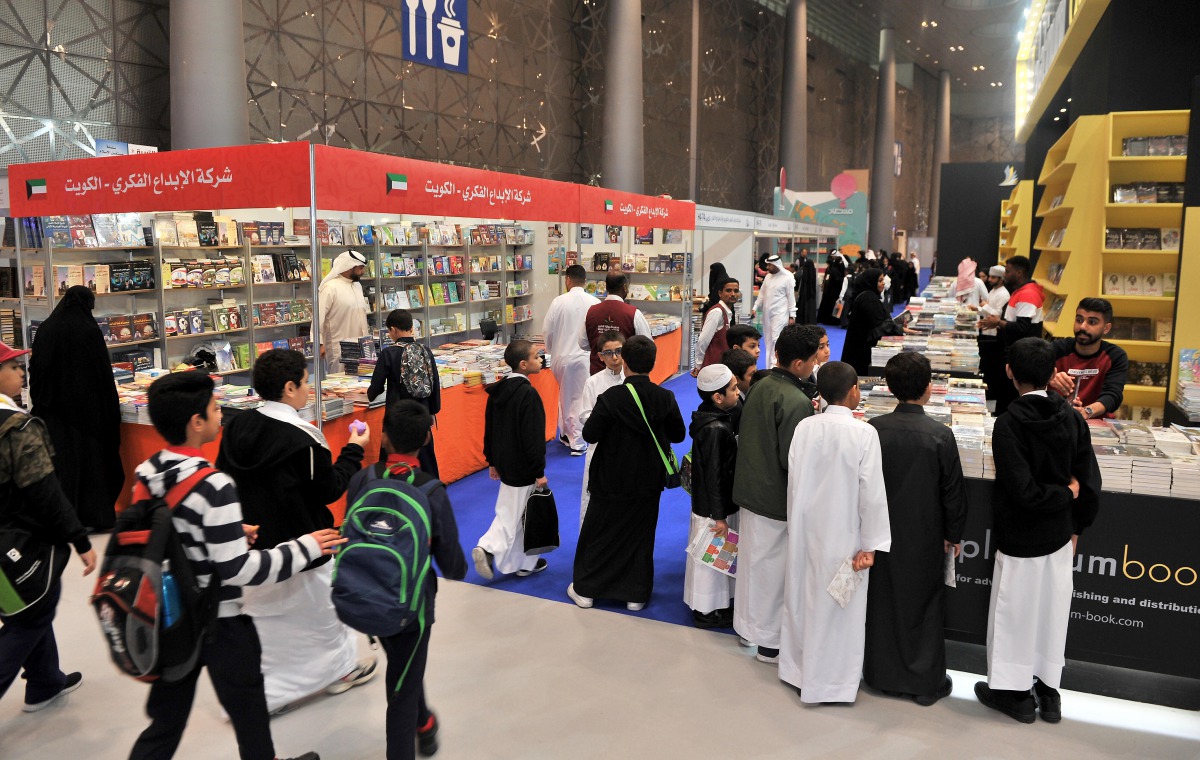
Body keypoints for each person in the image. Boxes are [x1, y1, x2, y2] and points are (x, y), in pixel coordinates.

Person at [130, 371, 341, 760]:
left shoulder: (148, 472)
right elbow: (240, 570)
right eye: (214, 409)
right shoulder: (213, 485)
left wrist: (224, 530)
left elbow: (163, 533)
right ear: (196, 422)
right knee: (247, 706)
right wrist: (305, 546)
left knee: (165, 722)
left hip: (170, 614)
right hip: (217, 620)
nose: (220, 415)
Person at [216, 349, 375, 715]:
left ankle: (268, 692)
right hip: (306, 542)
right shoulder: (305, 437)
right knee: (324, 614)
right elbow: (329, 489)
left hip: (257, 547)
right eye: (305, 382)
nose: (308, 388)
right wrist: (353, 450)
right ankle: (341, 671)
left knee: (267, 624)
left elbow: (225, 480)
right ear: (290, 388)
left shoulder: (237, 425)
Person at [975, 337, 1101, 724]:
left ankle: (1013, 695)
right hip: (1061, 536)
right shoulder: (1071, 417)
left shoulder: (1009, 424)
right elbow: (1089, 481)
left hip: (1021, 537)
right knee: (1052, 613)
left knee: (1014, 613)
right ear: (1052, 374)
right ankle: (1048, 693)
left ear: (1009, 371)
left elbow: (1023, 491)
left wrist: (1061, 495)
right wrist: (1075, 518)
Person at [345, 400, 467, 760]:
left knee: (403, 667)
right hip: (412, 604)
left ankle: (425, 721)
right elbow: (451, 560)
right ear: (426, 441)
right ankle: (418, 730)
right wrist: (457, 571)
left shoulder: (362, 480)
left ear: (382, 438)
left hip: (366, 591)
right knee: (401, 686)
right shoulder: (430, 490)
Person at [778, 361, 891, 704]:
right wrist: (872, 543)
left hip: (806, 529)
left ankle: (798, 671)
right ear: (854, 389)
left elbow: (794, 483)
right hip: (846, 535)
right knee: (841, 608)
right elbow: (871, 493)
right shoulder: (864, 433)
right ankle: (833, 682)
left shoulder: (805, 428)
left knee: (802, 599)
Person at [864, 352, 967, 706]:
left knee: (882, 603)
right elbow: (953, 492)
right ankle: (924, 682)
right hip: (925, 534)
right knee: (924, 607)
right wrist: (953, 535)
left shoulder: (873, 429)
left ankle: (880, 675)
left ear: (889, 387)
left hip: (880, 534)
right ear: (928, 389)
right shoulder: (940, 435)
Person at [0, 341, 96, 712]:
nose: (21, 372)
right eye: (11, 366)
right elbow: (45, 493)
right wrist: (80, 539)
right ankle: (43, 681)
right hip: (19, 543)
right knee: (32, 614)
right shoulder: (16, 428)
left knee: (28, 604)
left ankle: (44, 682)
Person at [569, 335, 685, 611]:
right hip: (648, 479)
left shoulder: (611, 397)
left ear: (626, 362)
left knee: (599, 532)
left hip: (610, 477)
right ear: (653, 362)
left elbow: (589, 433)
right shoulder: (664, 396)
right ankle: (635, 593)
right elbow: (678, 435)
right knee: (641, 535)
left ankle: (587, 590)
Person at [732, 325, 821, 663]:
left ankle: (749, 629)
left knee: (754, 567)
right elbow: (792, 459)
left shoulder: (761, 384)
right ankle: (770, 643)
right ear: (799, 363)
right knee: (773, 573)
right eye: (813, 360)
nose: (815, 366)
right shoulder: (795, 401)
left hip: (751, 487)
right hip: (775, 497)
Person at [28, 285, 122, 530]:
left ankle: (63, 520)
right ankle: (95, 517)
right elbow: (102, 375)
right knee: (92, 467)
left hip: (54, 414)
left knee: (62, 469)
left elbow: (37, 371)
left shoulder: (46, 329)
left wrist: (42, 402)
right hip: (88, 416)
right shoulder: (89, 330)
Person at [472, 340, 549, 580]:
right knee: (512, 513)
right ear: (524, 364)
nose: (541, 360)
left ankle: (524, 562)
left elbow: (489, 429)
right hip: (523, 465)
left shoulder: (499, 390)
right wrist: (538, 470)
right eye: (537, 357)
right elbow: (533, 436)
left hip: (505, 461)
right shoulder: (528, 394)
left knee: (522, 513)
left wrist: (492, 460)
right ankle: (487, 548)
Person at [684, 364, 741, 629]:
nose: (738, 392)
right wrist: (719, 516)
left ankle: (711, 606)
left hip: (707, 504)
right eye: (733, 389)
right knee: (710, 560)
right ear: (717, 397)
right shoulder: (716, 429)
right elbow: (715, 476)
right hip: (712, 508)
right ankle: (705, 611)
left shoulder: (707, 421)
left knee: (712, 557)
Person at [368, 308, 443, 475]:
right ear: (411, 327)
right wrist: (433, 410)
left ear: (393, 330)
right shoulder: (425, 351)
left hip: (397, 415)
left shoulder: (389, 353)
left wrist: (371, 395)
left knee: (392, 461)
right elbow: (434, 383)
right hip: (421, 414)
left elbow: (375, 387)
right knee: (426, 460)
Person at [542, 265, 599, 455]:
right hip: (585, 356)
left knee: (569, 397)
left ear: (567, 280)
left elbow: (547, 330)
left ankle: (576, 440)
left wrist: (551, 350)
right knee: (579, 398)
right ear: (585, 281)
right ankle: (572, 436)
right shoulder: (594, 301)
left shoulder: (558, 301)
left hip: (562, 356)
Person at [979, 256, 1043, 415]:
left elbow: (1022, 327)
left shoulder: (1028, 293)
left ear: (1019, 273)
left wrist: (998, 323)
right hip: (1012, 351)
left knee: (1010, 399)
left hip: (1021, 355)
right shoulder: (1019, 291)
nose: (1005, 275)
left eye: (1007, 271)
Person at [575, 331, 626, 526]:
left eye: (619, 351)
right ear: (600, 356)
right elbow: (584, 415)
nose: (614, 357)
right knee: (594, 497)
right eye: (608, 353)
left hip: (626, 449)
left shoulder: (632, 380)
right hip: (600, 448)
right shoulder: (593, 382)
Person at [1046, 298, 1128, 420]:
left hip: (1095, 422)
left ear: (1106, 328)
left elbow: (1113, 395)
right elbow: (1026, 374)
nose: (1083, 327)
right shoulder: (1056, 349)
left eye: (1092, 322)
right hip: (1055, 419)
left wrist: (1086, 411)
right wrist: (1047, 377)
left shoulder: (1115, 356)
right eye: (1079, 320)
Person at [579, 273, 652, 374]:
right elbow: (646, 345)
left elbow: (583, 343)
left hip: (597, 374)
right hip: (625, 375)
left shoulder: (591, 312)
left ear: (606, 287)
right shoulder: (633, 313)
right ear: (625, 287)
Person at [840, 268, 904, 376]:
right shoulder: (868, 298)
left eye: (883, 280)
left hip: (859, 350)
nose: (883, 283)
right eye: (880, 281)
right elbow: (880, 327)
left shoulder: (868, 296)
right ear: (871, 281)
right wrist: (898, 328)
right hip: (861, 353)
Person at [319, 249, 370, 374]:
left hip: (362, 344)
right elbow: (318, 317)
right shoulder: (330, 288)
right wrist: (320, 344)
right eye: (360, 268)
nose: (362, 272)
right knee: (340, 382)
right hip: (339, 346)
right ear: (349, 267)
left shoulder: (357, 286)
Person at [749, 253, 796, 368]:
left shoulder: (787, 278)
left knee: (776, 339)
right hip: (767, 314)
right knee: (768, 341)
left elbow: (791, 298)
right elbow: (762, 294)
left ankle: (776, 365)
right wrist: (755, 307)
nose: (768, 268)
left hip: (780, 314)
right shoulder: (768, 277)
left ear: (776, 265)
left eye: (770, 265)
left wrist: (792, 315)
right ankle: (769, 366)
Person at [975, 266, 1010, 403]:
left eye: (993, 277)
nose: (989, 280)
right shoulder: (994, 291)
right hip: (987, 331)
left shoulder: (1004, 294)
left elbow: (998, 316)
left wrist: (983, 307)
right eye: (989, 277)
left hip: (994, 335)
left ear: (1001, 279)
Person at [693, 277, 740, 373]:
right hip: (713, 365)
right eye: (728, 290)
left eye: (736, 291)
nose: (733, 294)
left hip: (722, 365)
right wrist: (698, 365)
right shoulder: (717, 312)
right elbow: (703, 340)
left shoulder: (727, 312)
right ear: (720, 293)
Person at [817, 252, 848, 326]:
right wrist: (845, 279)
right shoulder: (835, 270)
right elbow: (837, 279)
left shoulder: (833, 269)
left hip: (830, 291)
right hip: (833, 292)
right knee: (832, 306)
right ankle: (832, 321)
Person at [792, 247, 818, 325]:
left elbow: (797, 278)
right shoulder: (812, 272)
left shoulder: (803, 272)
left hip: (804, 293)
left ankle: (802, 320)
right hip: (811, 294)